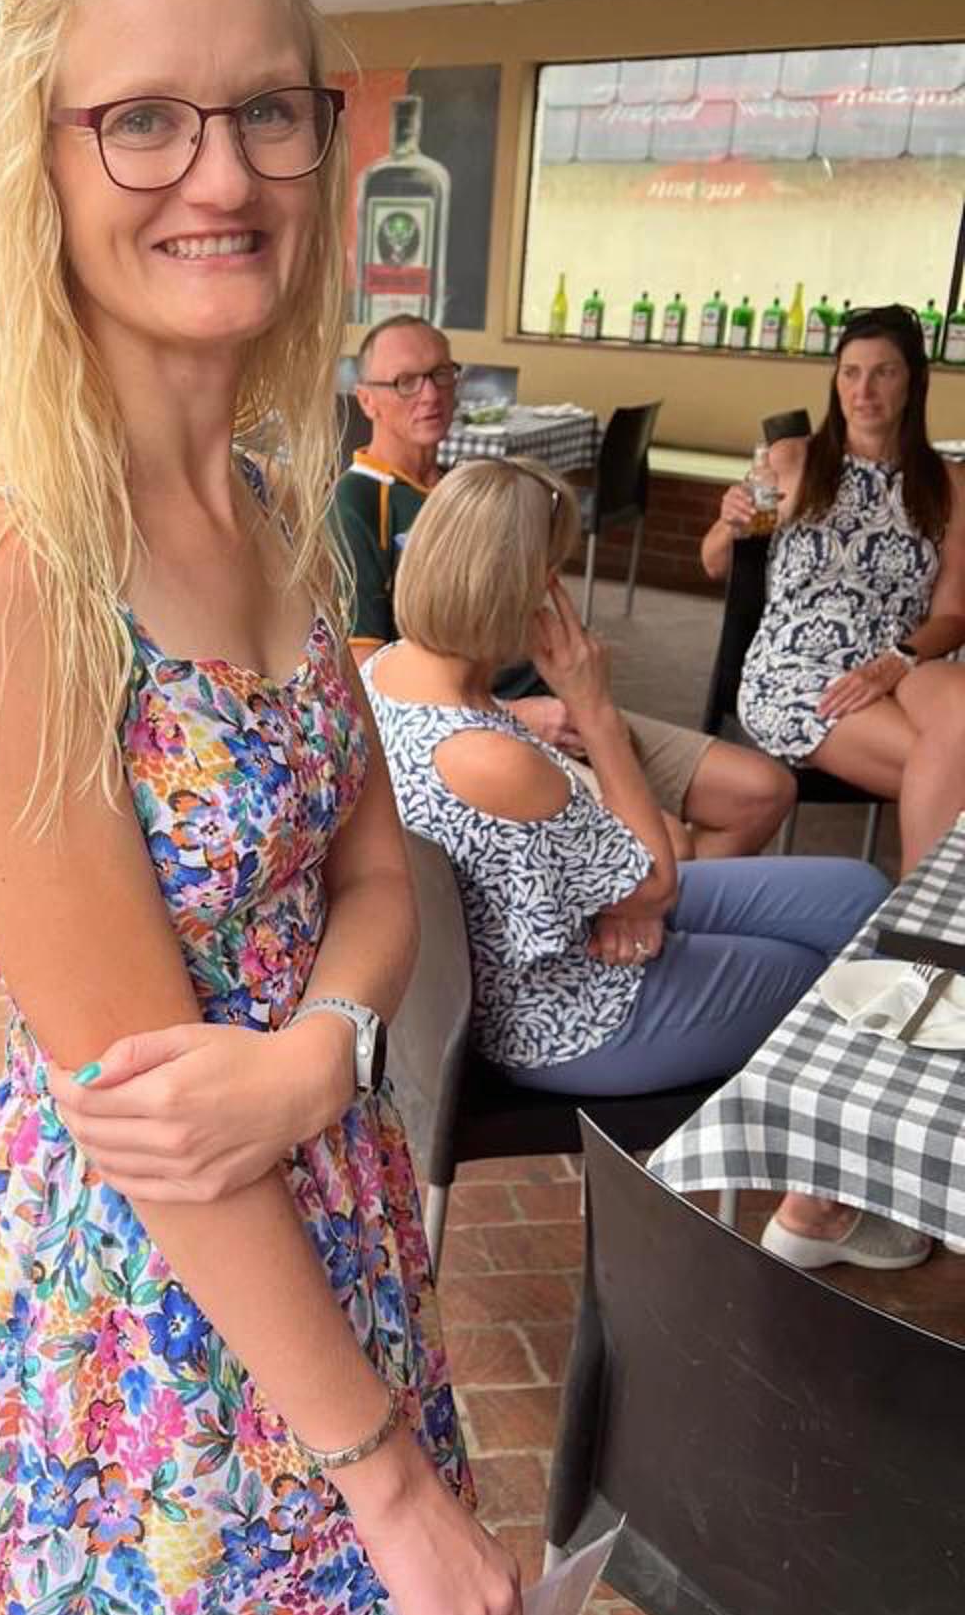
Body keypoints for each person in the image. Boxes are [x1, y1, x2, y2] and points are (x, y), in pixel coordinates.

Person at [0, 0, 521, 1615]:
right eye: (141, 118)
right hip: (149, 1335)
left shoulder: (275, 502)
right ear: (39, 160)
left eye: (264, 111)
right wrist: (388, 1481)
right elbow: (151, 1115)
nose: (219, 175)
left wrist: (321, 1055)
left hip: (330, 1232)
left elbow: (382, 874)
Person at [364, 458, 924, 1272]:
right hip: (567, 1020)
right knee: (835, 985)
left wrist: (625, 896)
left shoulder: (384, 675)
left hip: (542, 947)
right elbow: (655, 878)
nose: (560, 592)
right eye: (551, 572)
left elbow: (600, 872)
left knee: (859, 893)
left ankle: (834, 1167)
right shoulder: (487, 754)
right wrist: (593, 707)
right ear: (518, 586)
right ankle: (816, 1211)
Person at [335, 314, 795, 857]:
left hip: (562, 698)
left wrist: (580, 693)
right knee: (666, 850)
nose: (430, 394)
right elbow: (368, 677)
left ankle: (642, 898)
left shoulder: (467, 483)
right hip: (490, 718)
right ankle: (638, 891)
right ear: (367, 400)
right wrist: (515, 715)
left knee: (764, 791)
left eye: (441, 374)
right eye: (405, 381)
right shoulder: (357, 501)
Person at [707, 303, 965, 875]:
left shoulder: (948, 483)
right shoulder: (796, 459)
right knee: (952, 767)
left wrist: (895, 662)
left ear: (913, 383)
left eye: (884, 372)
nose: (863, 390)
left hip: (899, 664)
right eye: (851, 372)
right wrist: (730, 524)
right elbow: (713, 562)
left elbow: (954, 615)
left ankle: (917, 919)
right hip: (799, 671)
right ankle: (917, 922)